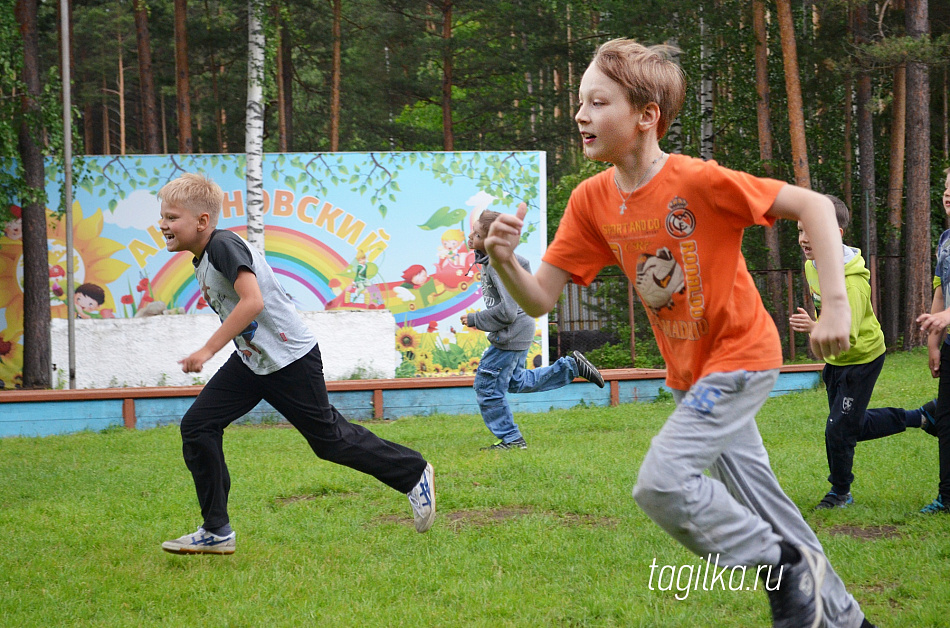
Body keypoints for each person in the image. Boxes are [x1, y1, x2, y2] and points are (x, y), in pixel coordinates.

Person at [484, 39, 876, 628]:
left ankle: (778, 563)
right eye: (579, 102)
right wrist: (504, 260)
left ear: (646, 116)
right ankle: (845, 619)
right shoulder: (590, 199)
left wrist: (836, 307)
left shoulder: (698, 181)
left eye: (597, 102)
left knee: (662, 484)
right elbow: (539, 297)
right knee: (766, 506)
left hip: (739, 357)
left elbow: (816, 207)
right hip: (689, 377)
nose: (580, 115)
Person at [156, 173, 435, 555]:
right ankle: (216, 530)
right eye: (163, 216)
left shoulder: (222, 244)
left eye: (172, 217)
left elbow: (252, 301)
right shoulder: (204, 255)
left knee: (330, 441)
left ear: (202, 221)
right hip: (254, 362)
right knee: (199, 425)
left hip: (290, 360)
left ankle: (413, 472)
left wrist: (206, 350)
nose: (163, 224)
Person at [790, 195, 936, 510]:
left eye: (811, 230)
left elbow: (845, 336)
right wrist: (817, 323)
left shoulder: (853, 285)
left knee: (838, 427)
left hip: (861, 357)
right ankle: (922, 417)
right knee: (847, 425)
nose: (803, 239)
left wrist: (814, 328)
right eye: (800, 230)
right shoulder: (811, 265)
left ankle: (840, 492)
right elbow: (826, 311)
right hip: (836, 360)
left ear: (835, 233)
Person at [462, 209, 605, 450]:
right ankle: (572, 367)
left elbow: (507, 312)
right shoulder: (496, 260)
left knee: (487, 387)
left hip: (511, 333)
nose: (470, 236)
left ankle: (512, 439)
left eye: (476, 235)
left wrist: (476, 319)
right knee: (515, 381)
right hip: (519, 330)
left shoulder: (498, 265)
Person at [915, 166, 950, 514]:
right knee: (946, 424)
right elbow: (940, 294)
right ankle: (947, 497)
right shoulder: (945, 240)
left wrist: (945, 318)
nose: (948, 194)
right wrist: (933, 342)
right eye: (946, 187)